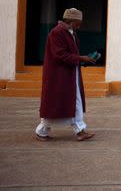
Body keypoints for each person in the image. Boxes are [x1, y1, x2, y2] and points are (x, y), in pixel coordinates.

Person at [35, 8, 96, 142]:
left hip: (70, 74)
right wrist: (81, 58)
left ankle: (79, 130)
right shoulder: (56, 33)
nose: (79, 26)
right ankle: (43, 130)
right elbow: (60, 55)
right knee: (58, 103)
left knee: (73, 102)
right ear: (70, 20)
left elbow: (71, 55)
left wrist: (84, 61)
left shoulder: (71, 33)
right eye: (77, 22)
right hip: (59, 76)